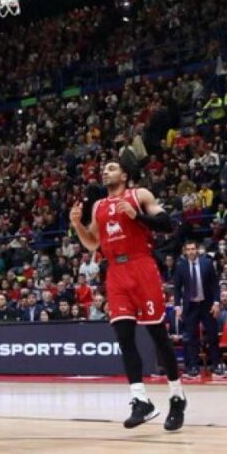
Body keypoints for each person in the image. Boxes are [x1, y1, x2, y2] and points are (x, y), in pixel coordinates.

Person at [70, 162, 186, 431]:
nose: (105, 171)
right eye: (104, 169)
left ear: (123, 175)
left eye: (111, 168)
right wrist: (77, 225)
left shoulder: (140, 195)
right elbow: (93, 243)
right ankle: (140, 399)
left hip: (141, 265)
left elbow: (167, 224)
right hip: (115, 270)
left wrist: (136, 215)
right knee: (124, 337)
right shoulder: (98, 206)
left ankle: (177, 396)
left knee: (158, 335)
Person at [171, 241, 227, 378]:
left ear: (197, 250)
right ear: (185, 251)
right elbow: (177, 288)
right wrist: (177, 306)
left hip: (207, 305)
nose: (191, 251)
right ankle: (193, 367)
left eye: (193, 249)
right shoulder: (181, 266)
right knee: (191, 338)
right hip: (190, 306)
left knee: (212, 336)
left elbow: (215, 285)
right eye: (188, 249)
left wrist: (216, 302)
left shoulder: (207, 263)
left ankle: (216, 365)